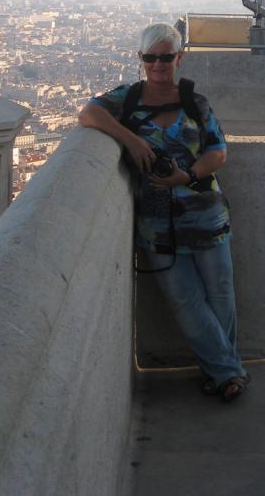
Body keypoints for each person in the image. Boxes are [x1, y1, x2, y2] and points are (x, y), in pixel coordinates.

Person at [78, 22, 248, 402]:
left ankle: (221, 373)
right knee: (185, 302)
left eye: (166, 57)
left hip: (206, 216)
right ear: (140, 59)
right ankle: (228, 372)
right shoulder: (127, 99)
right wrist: (131, 138)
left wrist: (185, 175)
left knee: (220, 296)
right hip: (157, 224)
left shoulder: (195, 103)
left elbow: (218, 151)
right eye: (151, 57)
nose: (158, 64)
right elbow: (88, 114)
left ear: (179, 58)